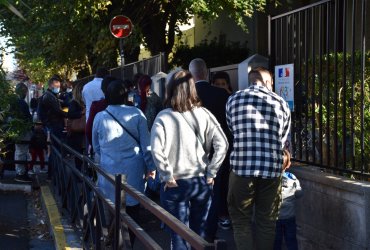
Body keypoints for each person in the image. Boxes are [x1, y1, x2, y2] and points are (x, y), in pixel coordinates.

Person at [150, 69, 229, 250]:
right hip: (200, 180)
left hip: (175, 183)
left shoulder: (164, 116)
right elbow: (222, 144)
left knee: (178, 235)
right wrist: (212, 172)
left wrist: (167, 175)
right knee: (199, 234)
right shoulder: (204, 114)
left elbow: (156, 149)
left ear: (170, 90)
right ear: (193, 89)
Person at [226, 67, 291, 250]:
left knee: (241, 220)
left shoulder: (233, 99)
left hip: (241, 167)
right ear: (269, 82)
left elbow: (232, 129)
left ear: (250, 80)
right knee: (267, 221)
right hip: (271, 169)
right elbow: (283, 139)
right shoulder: (281, 103)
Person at [92, 79, 156, 245]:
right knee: (132, 214)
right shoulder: (137, 114)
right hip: (133, 173)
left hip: (109, 171)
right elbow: (146, 146)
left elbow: (96, 145)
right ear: (126, 96)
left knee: (113, 212)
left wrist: (108, 156)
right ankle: (128, 245)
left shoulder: (100, 117)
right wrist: (151, 167)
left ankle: (115, 243)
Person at [189, 58, 233, 238]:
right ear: (206, 72)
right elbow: (229, 125)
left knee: (194, 189)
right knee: (216, 188)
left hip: (192, 151)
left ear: (190, 75)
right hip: (218, 150)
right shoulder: (222, 95)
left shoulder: (186, 96)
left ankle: (194, 228)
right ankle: (211, 230)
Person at [274, 150, 303, 250]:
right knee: (291, 241)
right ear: (289, 164)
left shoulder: (271, 178)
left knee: (276, 242)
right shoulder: (292, 178)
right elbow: (299, 194)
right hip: (290, 217)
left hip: (275, 217)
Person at [85, 76, 116, 146]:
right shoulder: (130, 106)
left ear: (102, 89)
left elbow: (89, 130)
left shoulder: (96, 106)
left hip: (104, 148)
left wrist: (96, 147)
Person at [14, 82, 33, 182]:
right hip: (23, 131)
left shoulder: (15, 102)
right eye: (25, 91)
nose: (26, 93)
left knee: (19, 151)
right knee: (21, 152)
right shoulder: (21, 103)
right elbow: (26, 118)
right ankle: (20, 173)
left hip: (19, 131)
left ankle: (20, 172)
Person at [66, 82, 85, 171]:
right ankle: (78, 176)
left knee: (82, 155)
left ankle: (82, 174)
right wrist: (81, 112)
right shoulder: (74, 102)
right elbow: (70, 115)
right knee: (78, 155)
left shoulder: (83, 102)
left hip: (82, 132)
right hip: (77, 133)